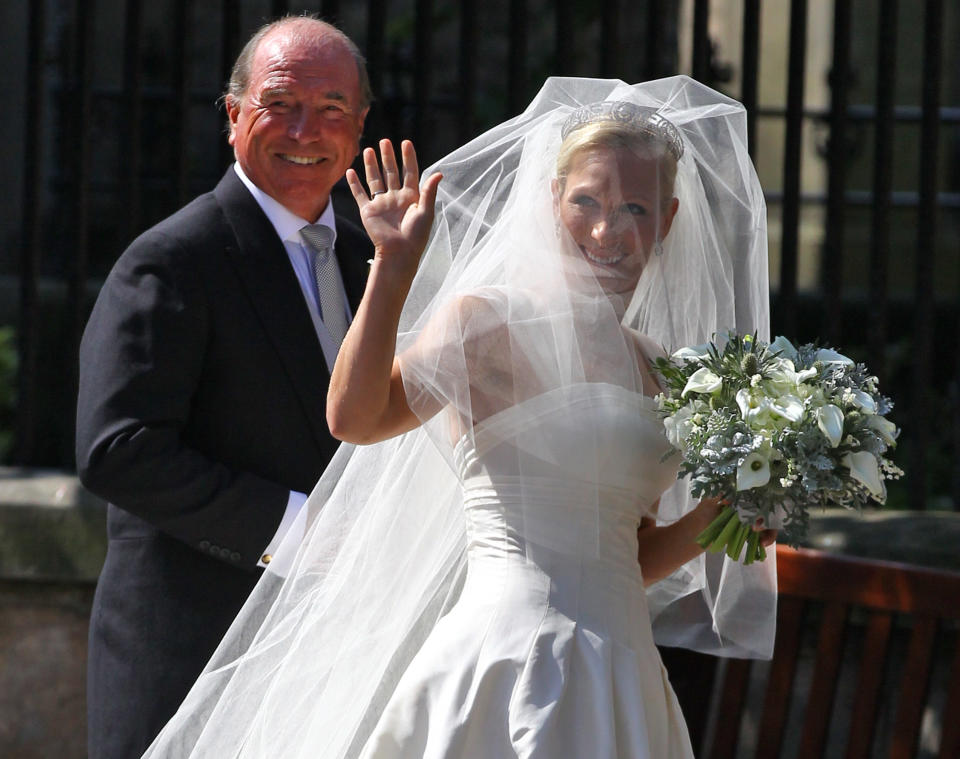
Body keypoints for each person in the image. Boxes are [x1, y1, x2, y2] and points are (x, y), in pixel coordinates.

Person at [143, 76, 777, 758]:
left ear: (669, 219)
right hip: (510, 661)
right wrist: (392, 264)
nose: (607, 230)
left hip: (623, 676)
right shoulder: (488, 321)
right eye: (586, 201)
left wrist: (733, 512)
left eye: (635, 209)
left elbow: (628, 551)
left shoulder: (661, 368)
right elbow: (353, 418)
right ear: (550, 202)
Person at [75, 16, 373, 759]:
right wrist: (302, 530)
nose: (307, 128)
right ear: (234, 114)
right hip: (195, 660)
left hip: (337, 665)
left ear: (360, 125)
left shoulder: (376, 253)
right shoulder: (175, 258)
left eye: (332, 108)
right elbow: (120, 449)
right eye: (280, 103)